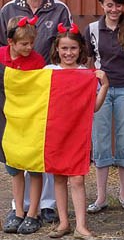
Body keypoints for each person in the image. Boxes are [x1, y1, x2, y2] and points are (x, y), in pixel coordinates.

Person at [0, 0, 72, 223]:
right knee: (21, 148)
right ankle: (22, 205)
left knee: (47, 144)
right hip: (17, 94)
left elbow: (67, 46)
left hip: (47, 91)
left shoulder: (59, 8)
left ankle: (48, 204)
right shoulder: (7, 9)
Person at [46, 23, 108, 239]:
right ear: (57, 49)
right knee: (59, 177)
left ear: (80, 49)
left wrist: (105, 86)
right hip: (55, 132)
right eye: (64, 48)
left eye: (73, 48)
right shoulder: (49, 72)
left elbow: (95, 107)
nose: (68, 53)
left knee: (78, 179)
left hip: (77, 133)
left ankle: (81, 226)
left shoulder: (85, 74)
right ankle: (63, 222)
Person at [84, 0, 124, 213]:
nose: (113, 9)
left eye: (117, 5)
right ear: (102, 5)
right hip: (100, 91)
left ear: (122, 5)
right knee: (101, 141)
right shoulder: (92, 30)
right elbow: (87, 62)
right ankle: (101, 197)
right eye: (109, 5)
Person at [2, 15, 45, 234]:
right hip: (10, 121)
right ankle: (18, 210)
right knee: (15, 167)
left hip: (32, 121)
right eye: (24, 44)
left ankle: (33, 213)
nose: (29, 47)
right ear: (11, 42)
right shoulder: (1, 57)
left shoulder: (37, 61)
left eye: (31, 43)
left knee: (35, 168)